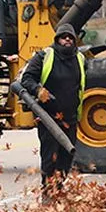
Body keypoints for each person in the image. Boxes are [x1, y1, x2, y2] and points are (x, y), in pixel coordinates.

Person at [17, 23, 85, 199]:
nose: (67, 40)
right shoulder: (44, 56)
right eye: (63, 37)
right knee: (50, 157)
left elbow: (81, 85)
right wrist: (38, 90)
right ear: (57, 40)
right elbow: (27, 79)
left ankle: (58, 190)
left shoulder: (80, 59)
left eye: (70, 37)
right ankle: (47, 195)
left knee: (66, 158)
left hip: (69, 117)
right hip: (48, 117)